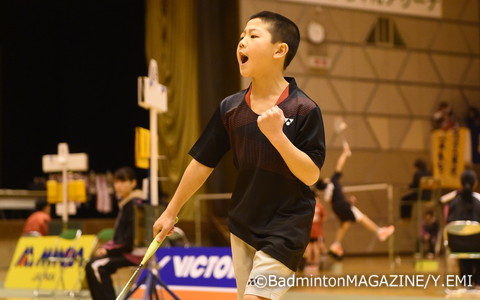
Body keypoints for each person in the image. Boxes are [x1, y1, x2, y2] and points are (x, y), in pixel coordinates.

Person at [153, 11, 325, 300]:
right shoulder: (230, 108)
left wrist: (277, 136)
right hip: (243, 224)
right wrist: (171, 211)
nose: (242, 42)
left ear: (279, 50)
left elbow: (311, 174)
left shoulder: (304, 109)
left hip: (287, 223)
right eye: (241, 36)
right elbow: (202, 162)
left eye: (253, 35)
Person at [314, 142, 394, 260]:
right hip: (342, 205)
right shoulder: (332, 182)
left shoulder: (327, 192)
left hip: (337, 208)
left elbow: (335, 201)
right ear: (325, 182)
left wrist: (348, 202)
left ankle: (336, 244)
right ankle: (379, 232)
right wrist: (345, 153)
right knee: (362, 217)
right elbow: (339, 165)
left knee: (345, 224)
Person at [85, 167, 145, 300]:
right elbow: (120, 239)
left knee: (95, 266)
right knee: (95, 265)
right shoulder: (126, 204)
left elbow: (128, 242)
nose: (118, 186)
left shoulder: (134, 205)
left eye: (122, 181)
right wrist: (106, 248)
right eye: (116, 182)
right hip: (126, 251)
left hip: (134, 254)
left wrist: (108, 251)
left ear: (133, 183)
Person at [446, 169, 480, 288]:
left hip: (457, 246)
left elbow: (448, 223)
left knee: (464, 245)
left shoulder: (453, 203)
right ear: (475, 183)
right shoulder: (479, 201)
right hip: (477, 246)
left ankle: (466, 282)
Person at [304, 196, 327, 268]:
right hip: (316, 229)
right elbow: (324, 217)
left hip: (308, 229)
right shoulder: (319, 206)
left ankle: (309, 262)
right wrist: (320, 223)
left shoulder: (308, 205)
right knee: (316, 246)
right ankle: (316, 263)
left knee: (308, 246)